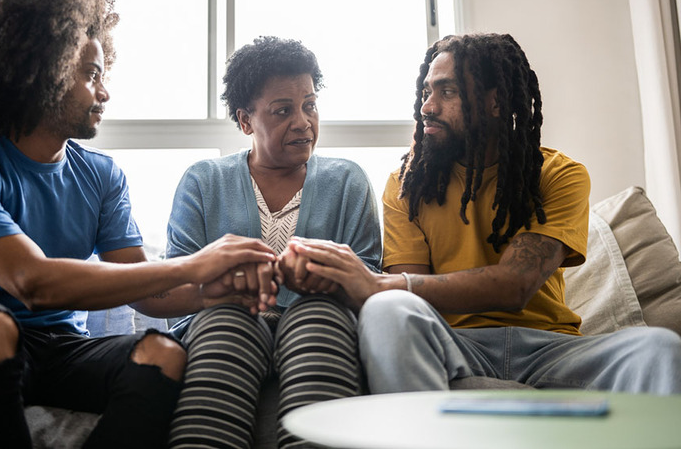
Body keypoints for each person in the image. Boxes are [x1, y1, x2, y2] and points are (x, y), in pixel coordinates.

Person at [0, 0, 277, 449]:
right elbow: (32, 282)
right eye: (90, 75)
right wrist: (195, 264)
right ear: (40, 73)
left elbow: (150, 295)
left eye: (103, 74)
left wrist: (221, 289)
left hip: (62, 349)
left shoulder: (103, 176)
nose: (104, 92)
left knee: (164, 353)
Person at [287, 33, 681, 395]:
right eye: (426, 91)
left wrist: (376, 284)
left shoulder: (559, 175)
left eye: (447, 92)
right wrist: (374, 289)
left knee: (658, 346)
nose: (428, 106)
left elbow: (517, 284)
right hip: (454, 343)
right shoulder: (407, 184)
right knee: (387, 309)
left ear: (495, 102)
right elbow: (412, 294)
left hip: (550, 347)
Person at [159, 36, 381, 448]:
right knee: (226, 321)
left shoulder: (348, 181)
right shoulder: (203, 181)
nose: (303, 122)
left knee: (319, 318)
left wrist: (327, 278)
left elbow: (370, 281)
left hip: (323, 328)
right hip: (224, 323)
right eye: (283, 111)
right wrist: (224, 284)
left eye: (310, 105)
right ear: (245, 121)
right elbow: (173, 284)